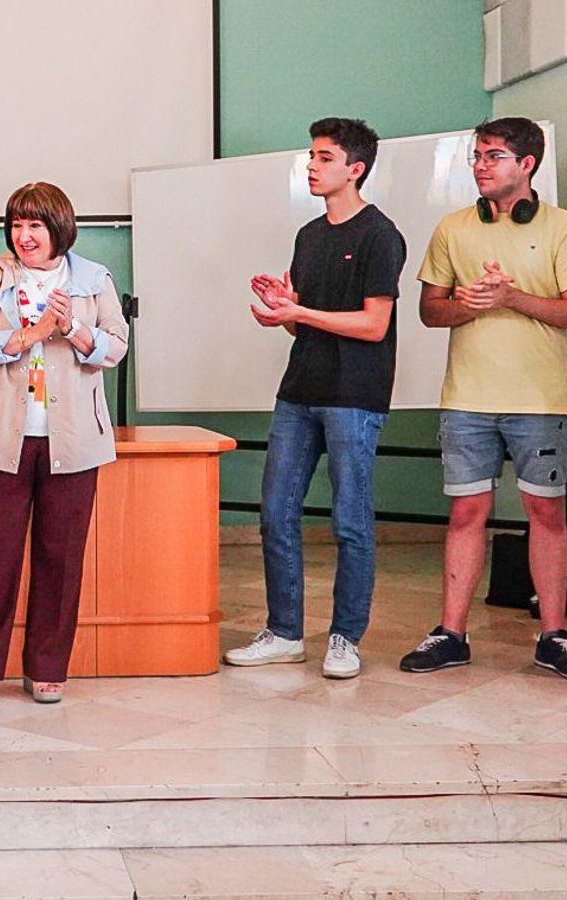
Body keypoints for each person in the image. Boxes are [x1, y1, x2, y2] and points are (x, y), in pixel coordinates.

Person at [402, 117, 567, 681]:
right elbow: (430, 311)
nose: (480, 166)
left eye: (493, 156)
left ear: (527, 164)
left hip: (540, 400)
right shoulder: (453, 228)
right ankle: (451, 633)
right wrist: (467, 304)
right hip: (467, 397)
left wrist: (512, 297)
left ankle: (554, 635)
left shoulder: (563, 227)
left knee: (546, 514)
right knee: (467, 512)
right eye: (477, 156)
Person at [224, 118, 407, 679]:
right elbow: (302, 325)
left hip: (355, 395)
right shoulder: (309, 235)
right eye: (311, 155)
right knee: (276, 514)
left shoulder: (380, 235)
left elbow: (374, 325)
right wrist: (284, 308)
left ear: (355, 169)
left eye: (325, 157)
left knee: (350, 521)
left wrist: (300, 310)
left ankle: (345, 638)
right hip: (299, 390)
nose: (312, 165)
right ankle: (284, 632)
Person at [0, 182, 129, 705]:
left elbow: (116, 346)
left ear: (59, 228)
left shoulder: (94, 279)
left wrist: (72, 328)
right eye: (17, 225)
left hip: (75, 439)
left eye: (35, 225)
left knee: (61, 557)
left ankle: (48, 668)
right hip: (3, 435)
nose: (24, 236)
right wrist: (31, 333)